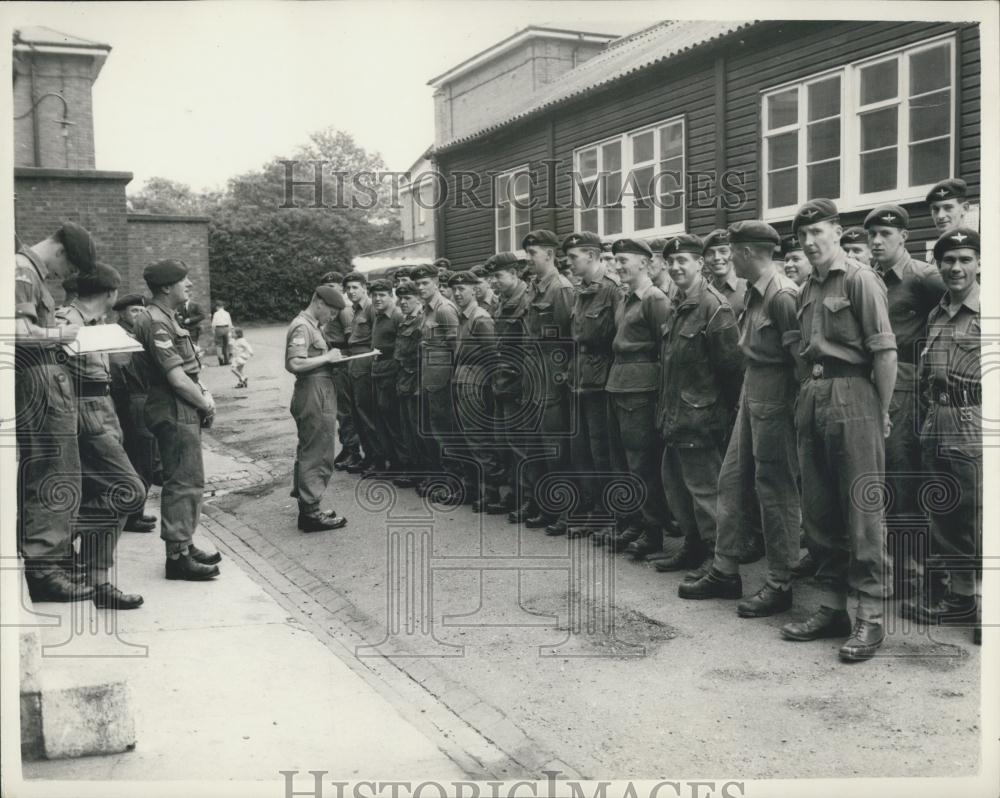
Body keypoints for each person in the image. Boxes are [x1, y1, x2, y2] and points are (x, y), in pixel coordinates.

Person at [779, 198, 896, 663]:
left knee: (863, 513)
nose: (809, 242)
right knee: (820, 511)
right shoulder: (807, 286)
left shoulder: (860, 279)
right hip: (814, 395)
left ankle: (870, 616)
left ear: (836, 230)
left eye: (818, 232)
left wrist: (880, 411)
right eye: (802, 236)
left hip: (854, 397)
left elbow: (884, 353)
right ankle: (832, 608)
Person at [678, 222, 800, 616]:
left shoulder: (782, 296)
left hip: (776, 396)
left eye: (733, 251)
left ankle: (780, 582)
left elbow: (799, 362)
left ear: (748, 253)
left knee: (774, 489)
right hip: (753, 390)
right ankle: (725, 570)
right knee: (729, 480)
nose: (727, 258)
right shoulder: (755, 294)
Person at [901, 228, 981, 645]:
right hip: (938, 422)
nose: (956, 268)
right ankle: (962, 599)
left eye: (965, 259)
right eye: (948, 260)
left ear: (979, 263)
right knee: (948, 516)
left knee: (980, 516)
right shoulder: (937, 313)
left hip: (976, 421)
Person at [865, 205, 946, 598]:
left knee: (904, 482)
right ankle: (901, 570)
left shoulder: (923, 277)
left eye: (884, 234)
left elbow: (959, 312)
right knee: (884, 484)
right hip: (878, 386)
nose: (876, 241)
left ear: (903, 237)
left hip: (909, 388)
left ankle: (918, 575)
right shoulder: (872, 279)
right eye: (871, 236)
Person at [15, 221, 97, 602]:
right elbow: (16, 332)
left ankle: (55, 560)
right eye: (71, 269)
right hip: (38, 380)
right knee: (52, 473)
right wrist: (61, 335)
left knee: (63, 472)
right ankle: (45, 569)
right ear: (61, 250)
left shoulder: (29, 272)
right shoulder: (23, 270)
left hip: (46, 379)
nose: (65, 277)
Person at [56, 263, 145, 609]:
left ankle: (97, 580)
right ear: (110, 294)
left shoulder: (95, 324)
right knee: (129, 491)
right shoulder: (69, 321)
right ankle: (54, 536)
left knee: (103, 491)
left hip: (101, 406)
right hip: (84, 409)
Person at [654, 234, 742, 576]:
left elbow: (732, 370)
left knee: (707, 494)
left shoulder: (714, 306)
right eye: (671, 262)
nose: (676, 267)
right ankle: (692, 547)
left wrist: (720, 416)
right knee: (676, 487)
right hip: (675, 416)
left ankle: (718, 560)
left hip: (701, 418)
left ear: (699, 264)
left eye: (683, 261)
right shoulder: (677, 303)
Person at [134, 259, 222, 580]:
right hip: (174, 407)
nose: (189, 285)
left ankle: (184, 543)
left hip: (179, 406)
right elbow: (177, 378)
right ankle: (177, 556)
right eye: (183, 281)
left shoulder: (166, 317)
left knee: (188, 478)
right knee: (183, 480)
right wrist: (206, 405)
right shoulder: (157, 322)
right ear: (166, 287)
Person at [602, 238, 672, 556]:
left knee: (642, 462)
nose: (617, 266)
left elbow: (665, 351)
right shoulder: (626, 298)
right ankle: (633, 522)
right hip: (619, 384)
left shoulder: (654, 299)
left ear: (644, 263)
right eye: (615, 261)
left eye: (623, 260)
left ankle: (652, 530)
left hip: (642, 389)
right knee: (622, 462)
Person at [561, 231, 621, 540]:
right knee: (581, 450)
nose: (568, 262)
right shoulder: (578, 291)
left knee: (603, 452)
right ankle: (590, 509)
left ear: (593, 256)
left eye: (573, 257)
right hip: (579, 379)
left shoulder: (612, 292)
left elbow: (619, 340)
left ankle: (609, 514)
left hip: (601, 381)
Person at [519, 230, 575, 531]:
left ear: (550, 255)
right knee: (535, 445)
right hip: (532, 374)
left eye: (533, 253)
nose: (528, 259)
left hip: (552, 376)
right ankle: (545, 507)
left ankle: (566, 510)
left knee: (556, 446)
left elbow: (569, 337)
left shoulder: (561, 288)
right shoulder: (534, 288)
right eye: (527, 254)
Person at [285, 286, 350, 532]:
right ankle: (311, 513)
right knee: (317, 451)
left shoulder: (311, 325)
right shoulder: (303, 326)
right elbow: (294, 362)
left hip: (318, 388)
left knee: (313, 448)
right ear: (319, 303)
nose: (332, 317)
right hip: (313, 391)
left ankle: (310, 506)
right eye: (331, 312)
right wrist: (327, 358)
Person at [485, 253, 532, 517]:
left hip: (518, 382)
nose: (494, 282)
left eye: (498, 276)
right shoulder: (503, 302)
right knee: (504, 441)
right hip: (502, 381)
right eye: (492, 277)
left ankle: (527, 497)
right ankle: (514, 491)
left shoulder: (526, 300)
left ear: (514, 274)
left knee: (520, 444)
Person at [450, 270, 502, 508]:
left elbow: (493, 357)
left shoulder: (480, 318)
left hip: (476, 384)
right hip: (464, 381)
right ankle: (479, 489)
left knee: (480, 439)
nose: (458, 293)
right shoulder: (464, 318)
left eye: (463, 289)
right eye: (455, 289)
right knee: (471, 439)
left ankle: (491, 492)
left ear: (474, 290)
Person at [110, 293, 161, 533]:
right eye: (133, 311)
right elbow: (118, 377)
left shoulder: (136, 333)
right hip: (133, 401)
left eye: (141, 311)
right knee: (140, 459)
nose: (139, 315)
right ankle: (131, 515)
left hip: (141, 398)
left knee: (144, 459)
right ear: (121, 313)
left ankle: (135, 511)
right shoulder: (119, 336)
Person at [412, 263, 463, 502]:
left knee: (446, 433)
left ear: (437, 283)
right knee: (433, 431)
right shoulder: (426, 309)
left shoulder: (444, 309)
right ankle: (439, 478)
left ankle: (454, 483)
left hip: (443, 381)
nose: (421, 287)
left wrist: (452, 382)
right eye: (418, 284)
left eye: (425, 283)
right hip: (429, 378)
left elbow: (457, 349)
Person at [320, 271, 362, 472]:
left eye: (335, 287)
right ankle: (347, 447)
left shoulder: (344, 310)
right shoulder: (331, 308)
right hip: (333, 360)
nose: (332, 291)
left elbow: (351, 339)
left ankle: (353, 450)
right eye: (327, 288)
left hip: (343, 361)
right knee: (339, 409)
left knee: (345, 409)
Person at [343, 271, 383, 474]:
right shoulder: (355, 309)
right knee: (358, 413)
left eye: (355, 287)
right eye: (348, 288)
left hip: (365, 361)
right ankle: (368, 456)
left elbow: (377, 339)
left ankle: (377, 459)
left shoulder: (370, 308)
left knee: (367, 412)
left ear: (364, 288)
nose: (351, 291)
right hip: (354, 362)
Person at [392, 282, 426, 488]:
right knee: (406, 429)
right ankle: (413, 469)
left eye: (408, 299)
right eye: (401, 299)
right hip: (404, 381)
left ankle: (424, 472)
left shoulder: (421, 321)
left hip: (416, 383)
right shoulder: (405, 321)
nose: (403, 302)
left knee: (418, 430)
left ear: (418, 299)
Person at [369, 279, 403, 472]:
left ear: (391, 296)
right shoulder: (378, 316)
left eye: (382, 295)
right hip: (379, 373)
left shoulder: (397, 316)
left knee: (394, 421)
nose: (377, 299)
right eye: (374, 295)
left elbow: (400, 350)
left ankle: (401, 463)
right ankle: (392, 461)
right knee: (382, 421)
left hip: (391, 375)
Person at [703, 229, 748, 317]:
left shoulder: (747, 289)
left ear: (733, 254)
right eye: (710, 253)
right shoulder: (702, 291)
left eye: (723, 252)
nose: (716, 257)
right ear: (704, 259)